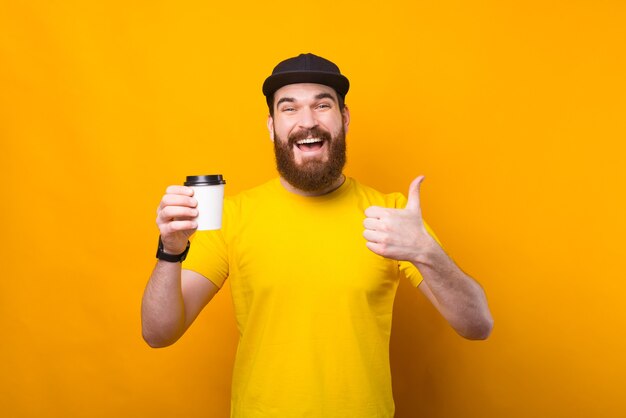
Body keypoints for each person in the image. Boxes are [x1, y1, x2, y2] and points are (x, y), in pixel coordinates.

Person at [141, 53, 493, 418]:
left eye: (322, 105)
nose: (307, 122)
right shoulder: (234, 215)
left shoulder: (392, 213)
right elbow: (158, 333)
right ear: (271, 125)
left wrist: (426, 252)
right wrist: (171, 250)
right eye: (289, 109)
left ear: (344, 118)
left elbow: (477, 324)